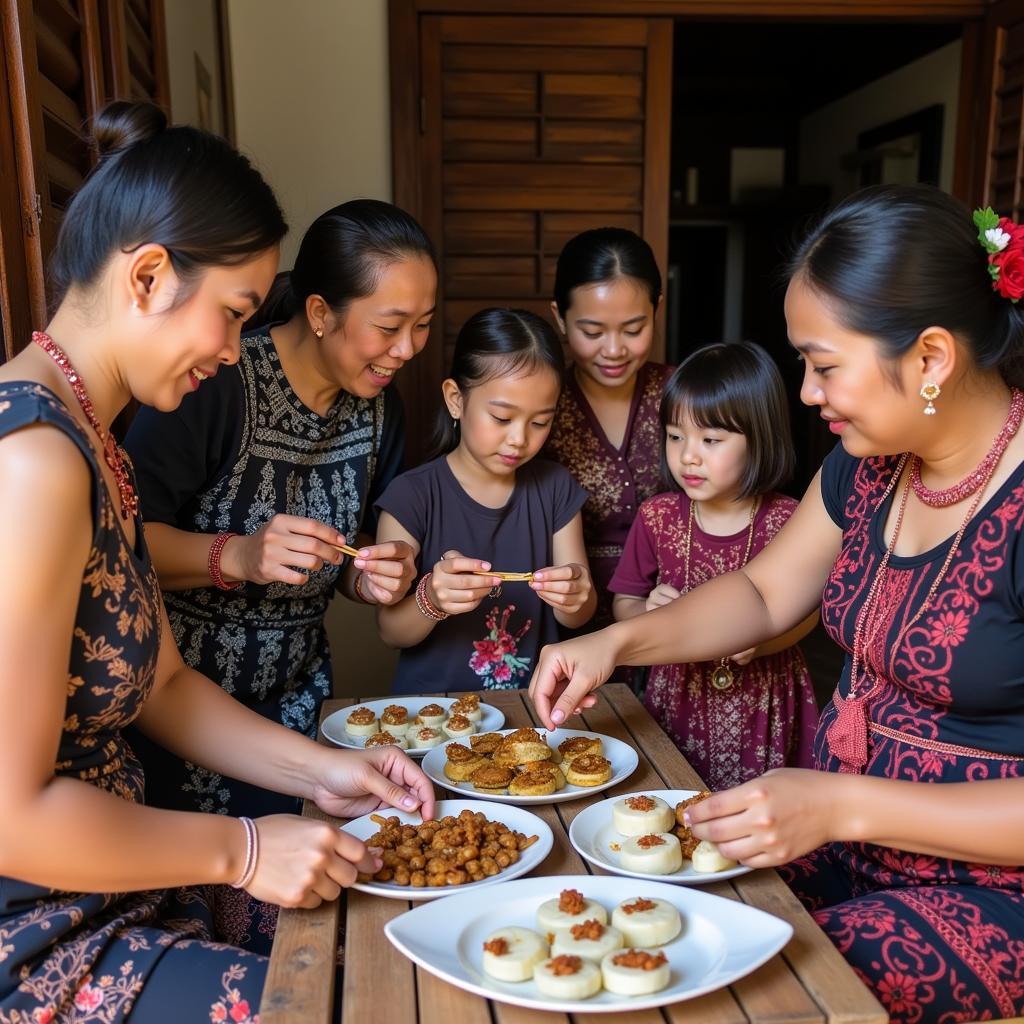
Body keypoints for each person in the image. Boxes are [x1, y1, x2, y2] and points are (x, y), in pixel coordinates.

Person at [529, 184, 1024, 1024]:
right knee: (624, 916)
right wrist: (617, 646)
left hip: (984, 888)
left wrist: (838, 804)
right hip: (844, 840)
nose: (802, 393)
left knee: (742, 990)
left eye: (824, 365)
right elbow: (763, 590)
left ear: (932, 358)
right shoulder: (867, 466)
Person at [0, 100, 434, 1023]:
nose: (236, 349)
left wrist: (320, 771)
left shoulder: (88, 439)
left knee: (394, 931)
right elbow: (12, 818)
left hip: (121, 882)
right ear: (149, 276)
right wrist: (241, 848)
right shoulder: (31, 460)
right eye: (234, 314)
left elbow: (161, 688)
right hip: (40, 929)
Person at [124, 199, 436, 820]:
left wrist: (373, 575)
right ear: (320, 312)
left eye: (423, 325)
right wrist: (238, 554)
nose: (406, 349)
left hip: (300, 705)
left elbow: (355, 552)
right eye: (389, 325)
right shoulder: (214, 383)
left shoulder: (380, 409)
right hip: (178, 707)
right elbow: (121, 543)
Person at [609, 342, 818, 789]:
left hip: (763, 698)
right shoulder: (658, 517)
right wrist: (645, 610)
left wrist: (766, 642)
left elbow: (814, 611)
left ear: (758, 438)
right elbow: (624, 601)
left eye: (711, 440)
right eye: (675, 436)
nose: (688, 455)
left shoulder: (790, 520)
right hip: (676, 693)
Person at [374, 308, 596, 693]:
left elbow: (578, 616)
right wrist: (432, 599)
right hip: (434, 720)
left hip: (530, 711)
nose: (519, 439)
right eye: (501, 417)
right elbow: (391, 631)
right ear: (456, 400)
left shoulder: (556, 489)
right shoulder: (411, 496)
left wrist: (576, 596)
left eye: (540, 422)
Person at [542, 227, 672, 630]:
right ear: (559, 318)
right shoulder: (539, 407)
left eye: (633, 329)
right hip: (564, 621)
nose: (614, 350)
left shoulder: (684, 396)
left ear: (657, 309)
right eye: (593, 332)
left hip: (672, 610)